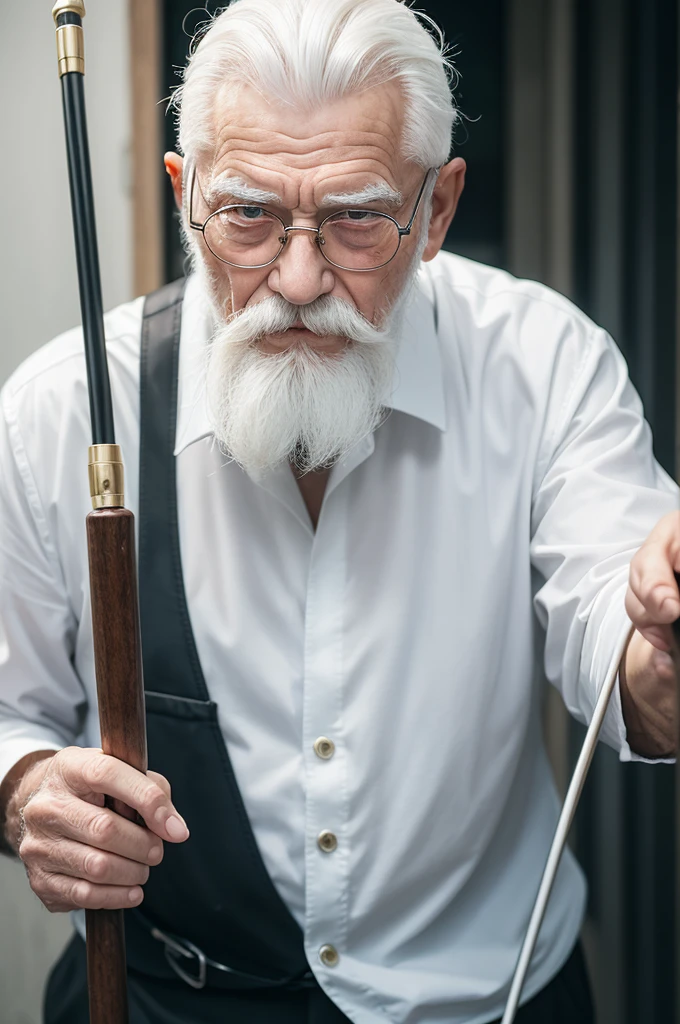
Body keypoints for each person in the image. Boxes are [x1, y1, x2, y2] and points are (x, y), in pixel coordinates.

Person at [0, 0, 678, 1021]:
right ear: (186, 198)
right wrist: (27, 792)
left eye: (357, 217)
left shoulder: (543, 364)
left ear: (437, 209)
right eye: (249, 217)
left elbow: (614, 636)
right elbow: (9, 707)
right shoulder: (58, 407)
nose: (301, 278)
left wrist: (660, 651)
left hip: (483, 996)